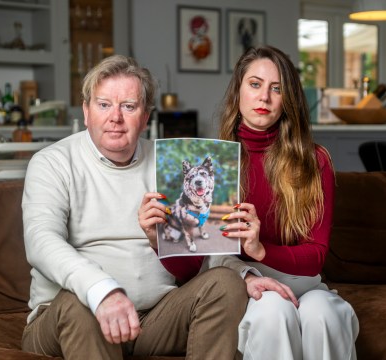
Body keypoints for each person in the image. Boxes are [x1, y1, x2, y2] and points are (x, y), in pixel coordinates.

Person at [21, 54, 248, 360]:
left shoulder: (168, 161)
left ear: (145, 118)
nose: (115, 117)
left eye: (128, 106)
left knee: (226, 284)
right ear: (86, 111)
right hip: (67, 317)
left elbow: (204, 244)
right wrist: (101, 290)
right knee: (79, 302)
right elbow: (40, 240)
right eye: (103, 105)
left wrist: (245, 273)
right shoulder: (53, 162)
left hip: (153, 320)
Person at [138, 45, 359, 360]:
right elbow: (190, 270)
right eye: (255, 84)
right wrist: (159, 240)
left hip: (303, 282)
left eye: (276, 88)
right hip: (244, 283)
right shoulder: (213, 161)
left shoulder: (314, 160)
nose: (264, 97)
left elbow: (316, 256)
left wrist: (261, 249)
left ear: (288, 100)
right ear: (238, 92)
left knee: (325, 315)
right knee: (273, 312)